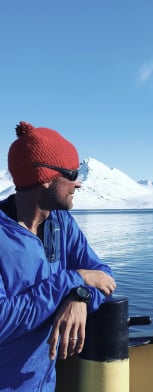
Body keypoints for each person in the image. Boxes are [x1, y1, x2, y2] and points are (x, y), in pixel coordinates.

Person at [0, 121, 116, 391]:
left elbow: (103, 276)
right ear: (46, 177)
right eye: (73, 173)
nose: (79, 183)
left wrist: (80, 296)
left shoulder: (61, 223)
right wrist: (71, 280)